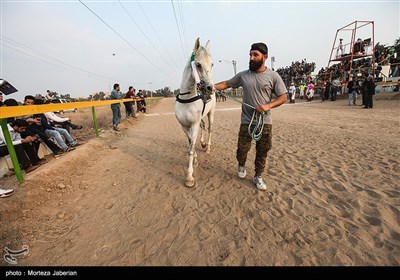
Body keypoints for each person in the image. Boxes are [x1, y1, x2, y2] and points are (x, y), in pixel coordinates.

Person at [214, 42, 288, 190]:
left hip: (264, 122)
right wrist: (211, 86)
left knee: (263, 151)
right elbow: (227, 83)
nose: (251, 58)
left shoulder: (273, 76)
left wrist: (268, 105)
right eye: (250, 54)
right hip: (246, 121)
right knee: (242, 150)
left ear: (264, 57)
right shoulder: (243, 75)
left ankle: (258, 176)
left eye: (255, 55)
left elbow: (283, 96)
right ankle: (241, 165)